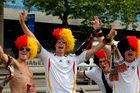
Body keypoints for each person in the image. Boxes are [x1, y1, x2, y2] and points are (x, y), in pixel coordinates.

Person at [19, 10, 117, 93]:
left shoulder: (75, 58)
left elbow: (95, 49)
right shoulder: (47, 57)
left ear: (67, 45)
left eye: (63, 42)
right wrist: (22, 24)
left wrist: (102, 33)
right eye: (58, 42)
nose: (61, 44)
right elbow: (33, 39)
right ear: (55, 44)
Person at [77, 16, 113, 93]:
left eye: (104, 61)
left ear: (109, 61)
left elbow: (105, 45)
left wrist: (99, 31)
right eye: (100, 62)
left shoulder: (116, 68)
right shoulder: (96, 72)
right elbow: (79, 74)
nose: (102, 64)